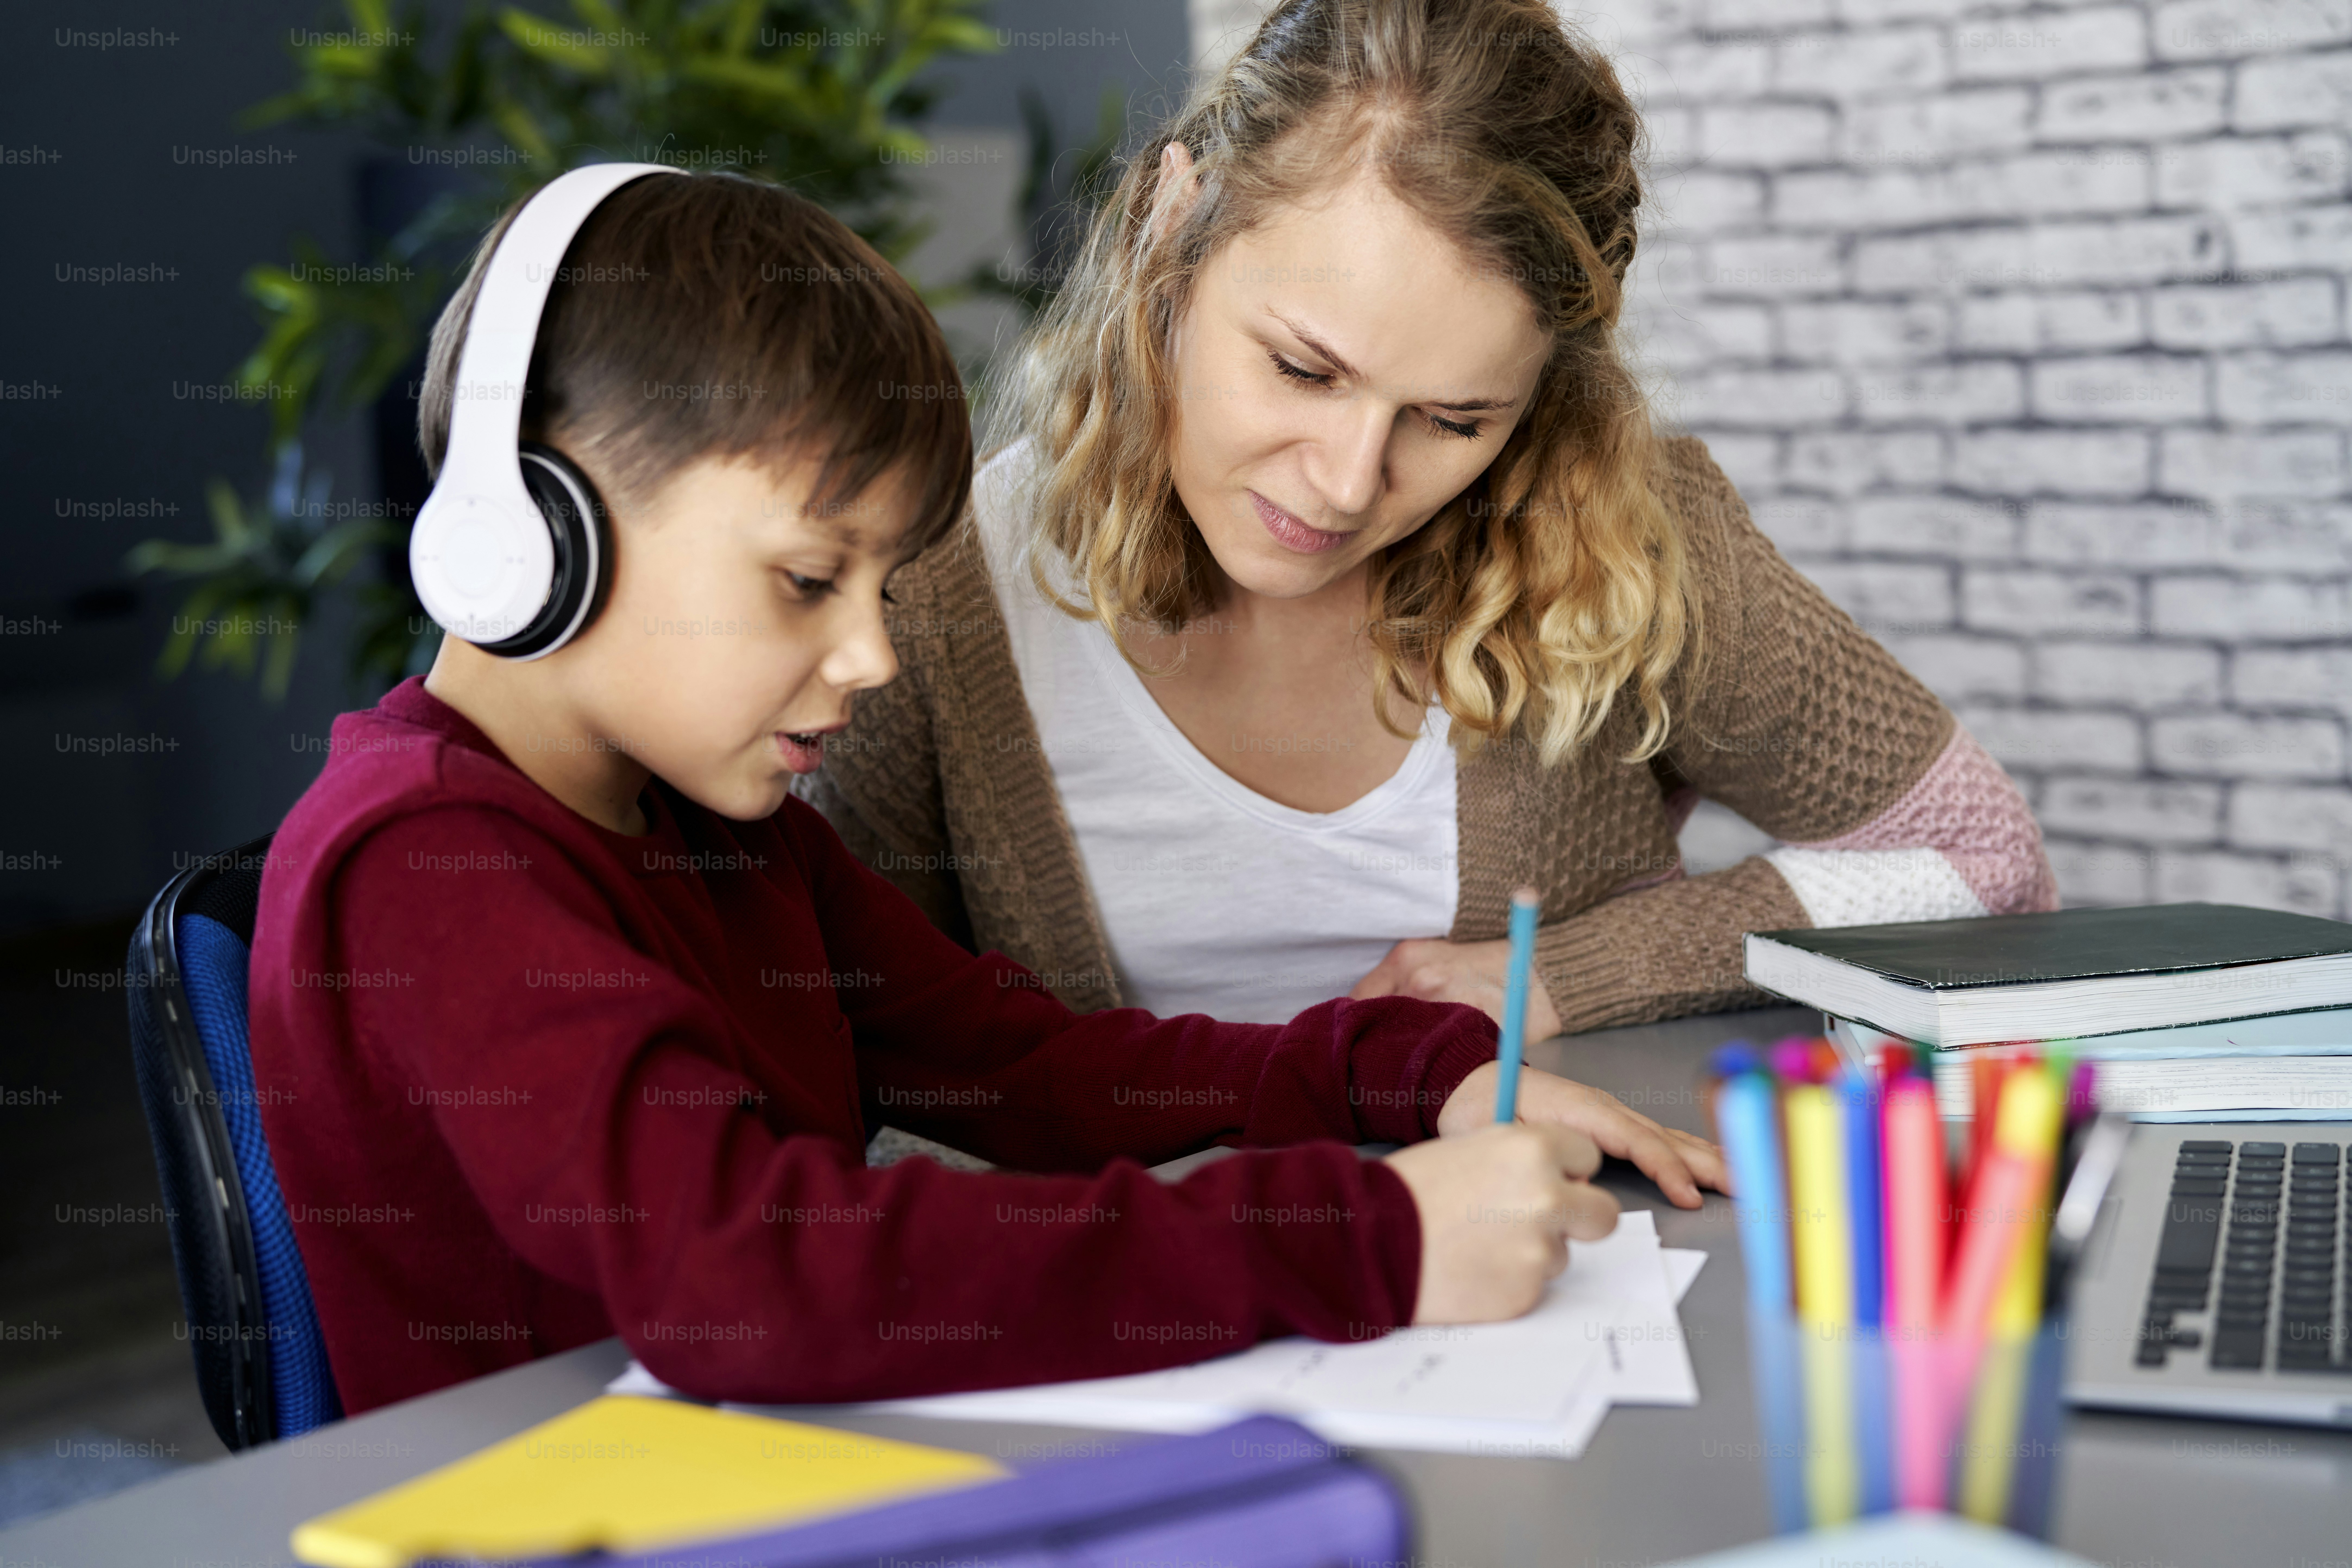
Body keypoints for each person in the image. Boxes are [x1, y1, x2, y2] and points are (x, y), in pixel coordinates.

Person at [246, 169, 1728, 1416]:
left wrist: (1397, 1070)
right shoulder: (425, 865)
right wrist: (1366, 1239)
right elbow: (744, 1274)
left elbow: (1023, 1071)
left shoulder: (709, 829)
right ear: (532, 535)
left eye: (882, 586)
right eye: (810, 579)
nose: (871, 654)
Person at [800, 0, 2057, 1050]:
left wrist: (1565, 976)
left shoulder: (1624, 532)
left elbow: (1980, 856)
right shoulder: (944, 582)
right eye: (1302, 371)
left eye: (1452, 420)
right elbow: (856, 1040)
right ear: (1169, 227)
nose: (1346, 485)